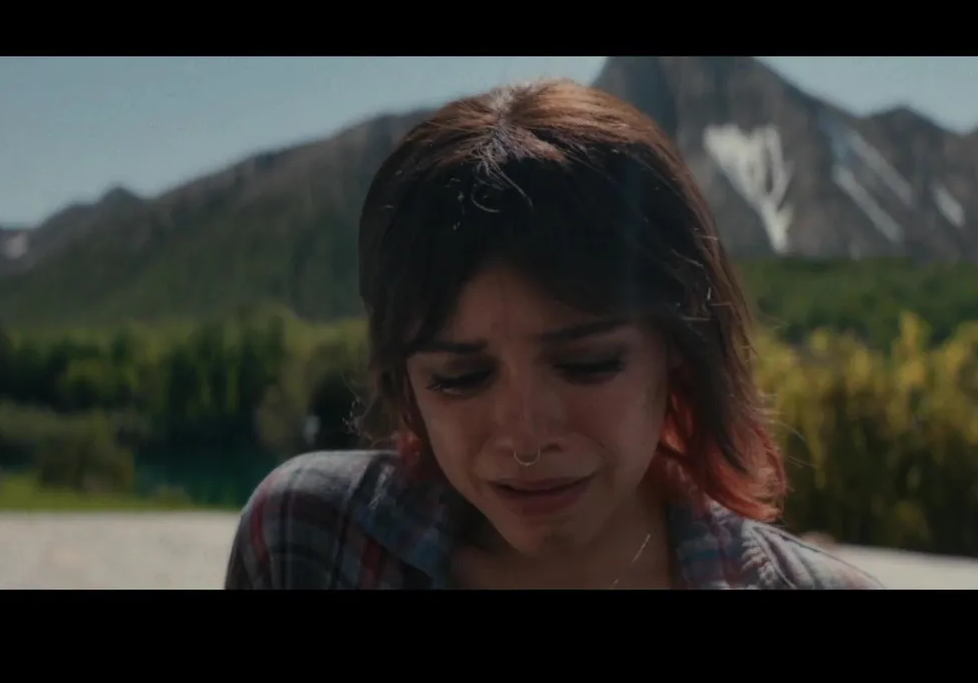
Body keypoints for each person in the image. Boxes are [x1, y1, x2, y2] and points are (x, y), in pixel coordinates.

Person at [224, 79, 883, 589]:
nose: (525, 437)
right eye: (459, 378)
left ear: (679, 345)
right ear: (404, 381)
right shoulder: (311, 540)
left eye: (587, 363)